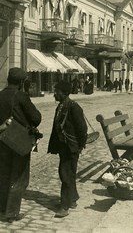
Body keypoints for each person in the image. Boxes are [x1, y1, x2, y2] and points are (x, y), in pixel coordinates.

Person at [0, 67, 42, 223]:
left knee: (3, 175)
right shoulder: (21, 96)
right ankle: (11, 213)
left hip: (2, 141)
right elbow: (36, 118)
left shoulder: (0, 95)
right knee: (19, 178)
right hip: (18, 142)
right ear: (22, 82)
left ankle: (2, 209)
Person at [48, 81, 87, 218]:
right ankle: (73, 198)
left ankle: (64, 206)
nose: (54, 94)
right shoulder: (61, 105)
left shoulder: (73, 107)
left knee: (65, 173)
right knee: (68, 172)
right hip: (64, 147)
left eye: (56, 91)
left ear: (64, 93)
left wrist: (79, 146)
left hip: (71, 147)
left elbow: (82, 129)